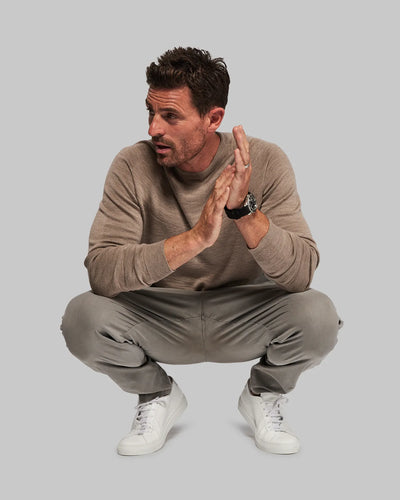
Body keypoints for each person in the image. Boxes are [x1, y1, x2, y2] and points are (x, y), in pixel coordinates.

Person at [60, 47, 342, 456]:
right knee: (81, 318)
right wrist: (195, 238)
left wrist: (242, 211)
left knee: (319, 316)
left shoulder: (265, 160)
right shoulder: (132, 164)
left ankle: (263, 394)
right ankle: (156, 394)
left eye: (170, 116)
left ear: (213, 119)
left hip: (244, 313)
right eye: (150, 112)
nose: (154, 128)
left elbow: (300, 274)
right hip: (159, 314)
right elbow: (102, 272)